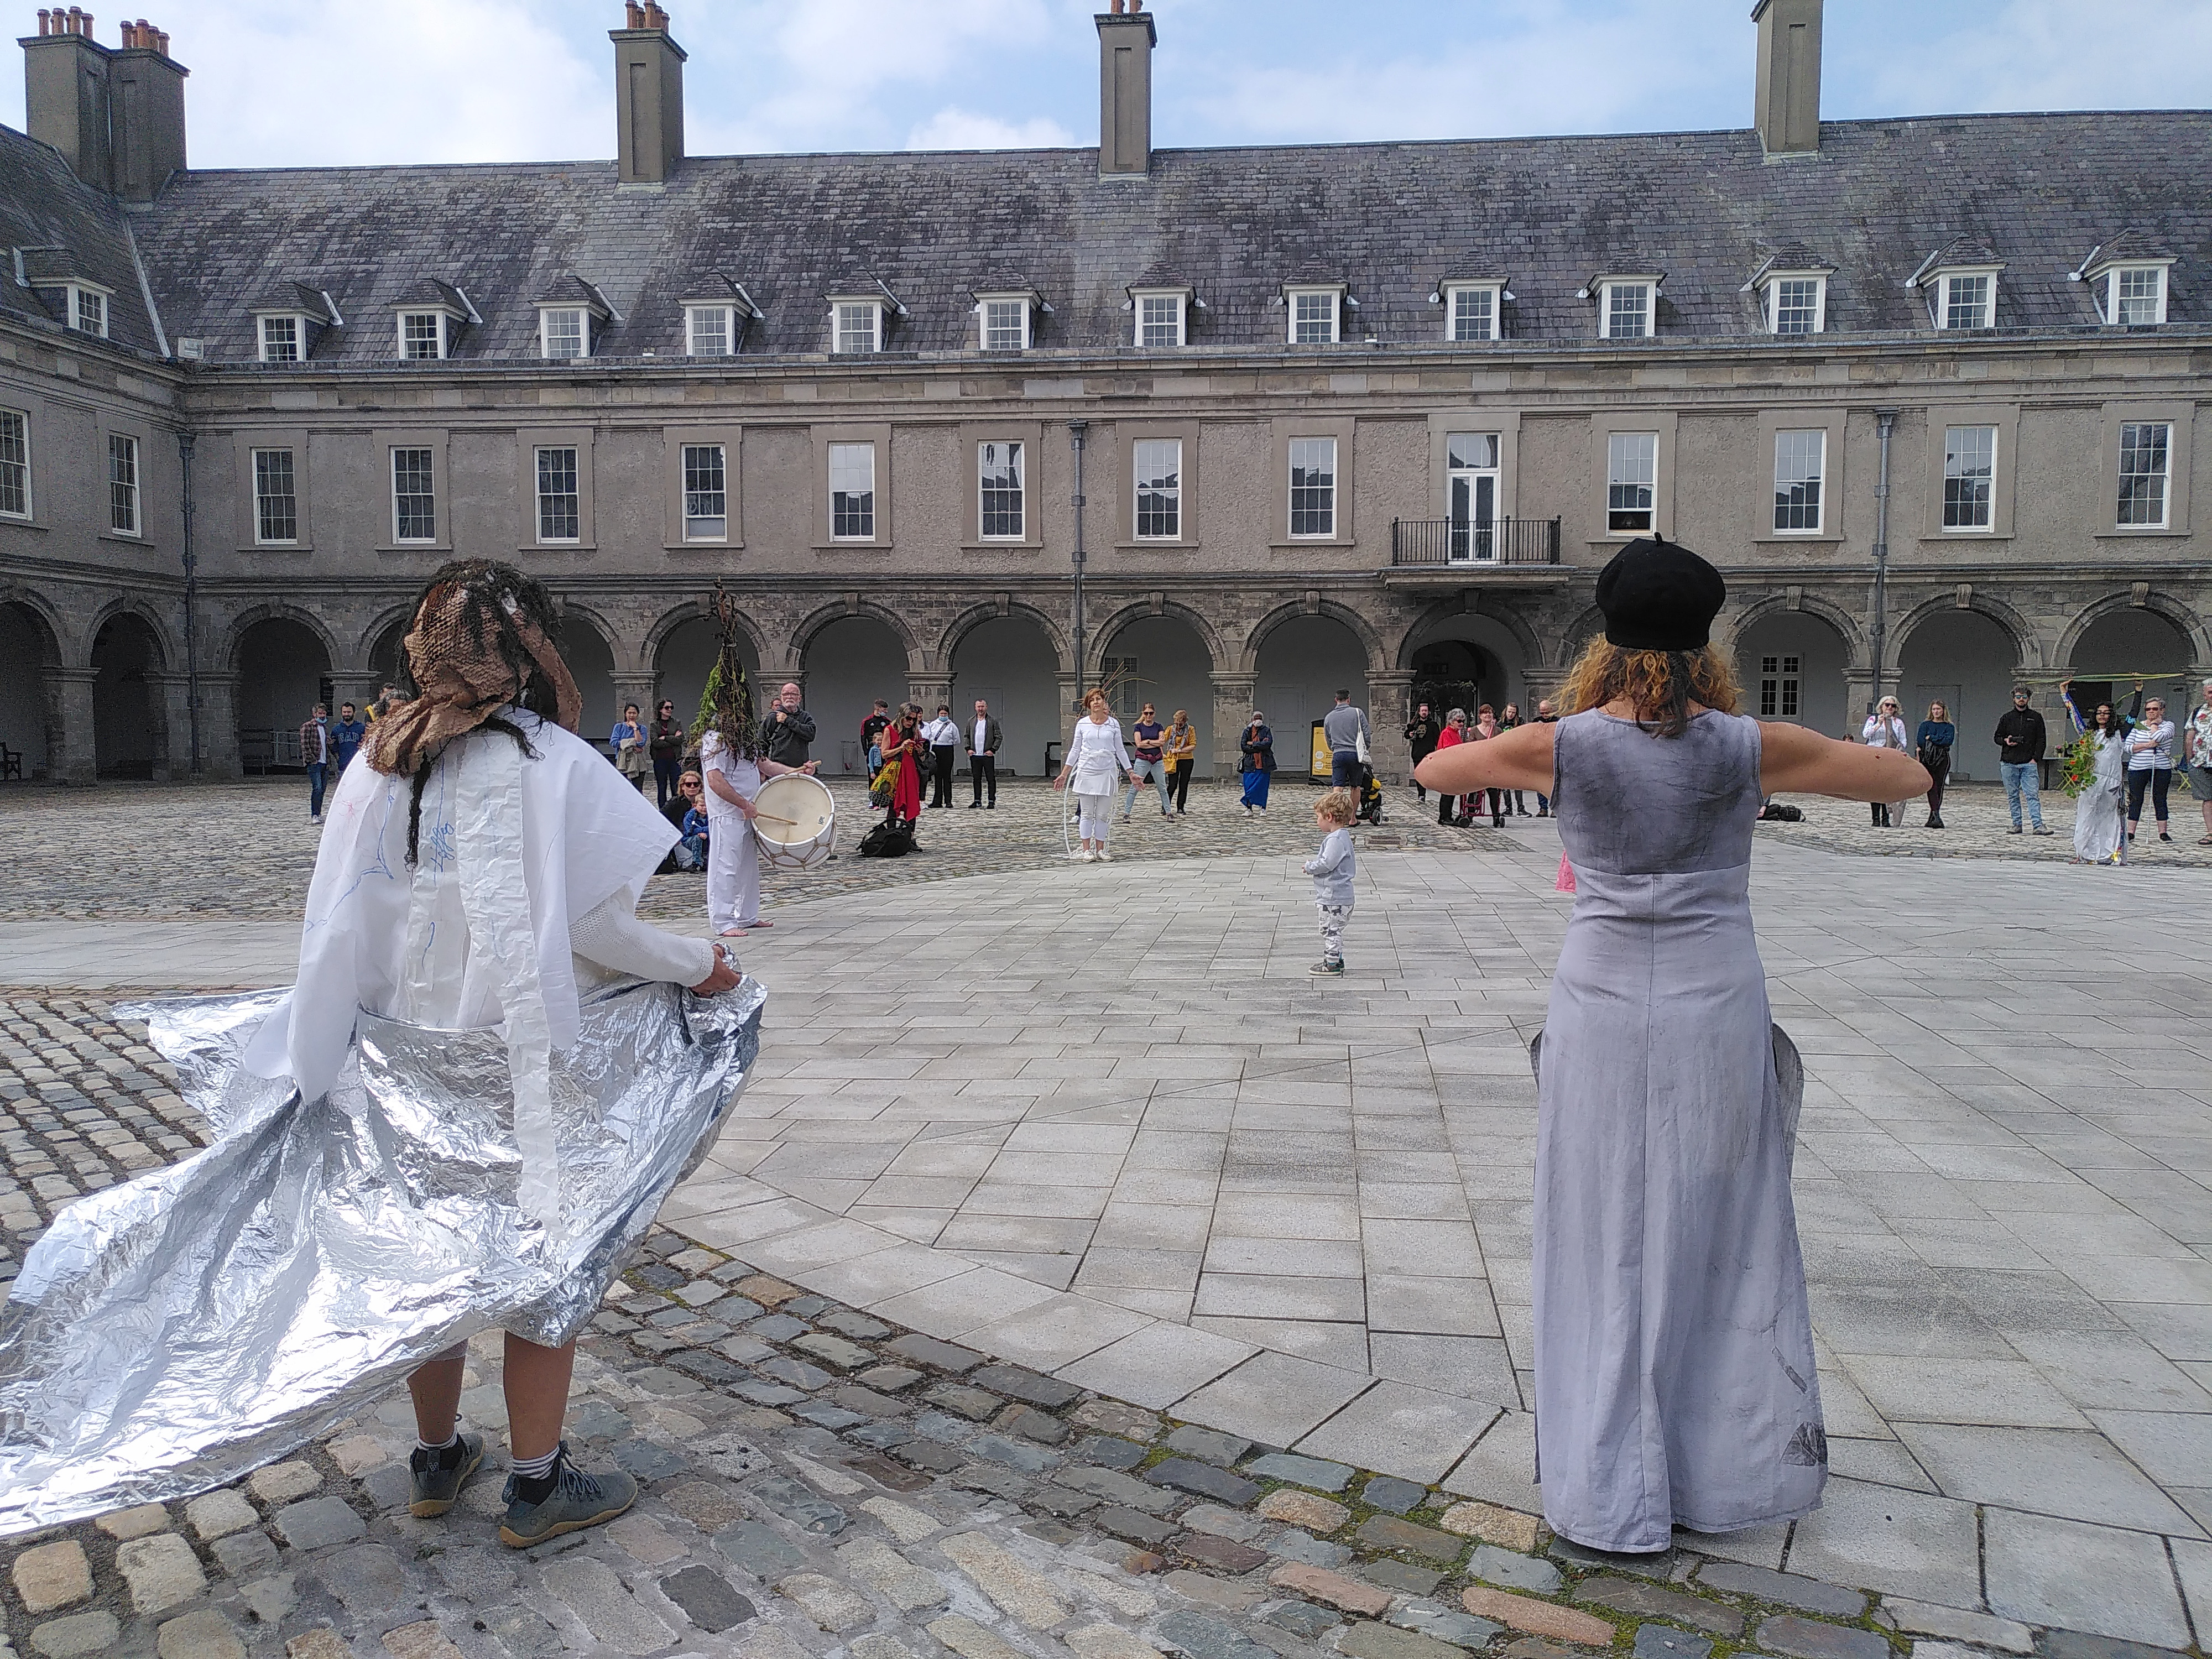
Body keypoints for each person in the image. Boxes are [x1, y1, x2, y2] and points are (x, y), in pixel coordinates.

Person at [1414, 534, 1929, 1556]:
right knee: (1719, 1229)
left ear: (1605, 646)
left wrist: (1539, 732)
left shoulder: (1558, 745)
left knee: (1599, 1229)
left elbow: (1435, 768)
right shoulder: (1751, 744)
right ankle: (1711, 1471)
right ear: (1705, 646)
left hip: (1601, 1002)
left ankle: (1608, 1484)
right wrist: (1781, 742)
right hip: (1714, 1000)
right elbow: (1905, 776)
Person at [310, 560, 744, 1547]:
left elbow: (338, 917)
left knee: (432, 1252)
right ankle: (539, 1484)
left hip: (407, 1057)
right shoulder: (553, 761)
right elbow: (598, 928)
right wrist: (699, 963)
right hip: (515, 1062)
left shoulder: (381, 760)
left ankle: (435, 1459)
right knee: (546, 1255)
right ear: (528, 651)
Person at [698, 656, 820, 937]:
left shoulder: (745, 738)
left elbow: (764, 764)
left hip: (749, 810)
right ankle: (723, 921)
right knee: (725, 866)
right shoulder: (715, 739)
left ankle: (747, 915)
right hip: (729, 812)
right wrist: (743, 804)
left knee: (747, 868)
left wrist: (797, 771)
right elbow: (715, 781)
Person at [1057, 689, 1131, 860]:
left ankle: (1100, 850)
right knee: (1087, 813)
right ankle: (1086, 850)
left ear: (1104, 702)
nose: (1096, 702)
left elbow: (1120, 749)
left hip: (1106, 771)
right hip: (1087, 771)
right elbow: (1075, 750)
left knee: (1102, 815)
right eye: (1093, 700)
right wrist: (1064, 774)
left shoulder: (1113, 724)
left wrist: (1131, 772)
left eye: (1099, 699)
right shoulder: (1083, 724)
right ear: (1089, 704)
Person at [2059, 682, 2126, 865]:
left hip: (2112, 782)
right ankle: (2083, 852)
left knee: (2109, 818)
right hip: (2091, 781)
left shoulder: (2119, 734)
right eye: (2099, 713)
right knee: (2086, 816)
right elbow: (2074, 714)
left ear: (2111, 715)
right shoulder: (2088, 733)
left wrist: (2138, 690)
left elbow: (2133, 715)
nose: (2102, 715)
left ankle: (2111, 853)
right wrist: (2065, 694)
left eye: (2106, 713)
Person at [1303, 787, 1358, 977]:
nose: (1317, 822)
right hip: (1339, 895)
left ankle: (1332, 963)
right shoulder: (1342, 837)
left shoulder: (1335, 839)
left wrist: (1310, 867)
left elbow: (1328, 863)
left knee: (1330, 930)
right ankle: (1336, 958)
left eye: (1318, 818)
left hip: (1334, 896)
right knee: (1333, 929)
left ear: (1329, 817)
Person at [2122, 691, 2176, 847]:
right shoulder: (2137, 726)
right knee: (2135, 799)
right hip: (2138, 767)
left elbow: (2158, 737)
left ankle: (2163, 832)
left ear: (2162, 710)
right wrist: (2147, 745)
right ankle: (2131, 832)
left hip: (2161, 767)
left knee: (2160, 798)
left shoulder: (2169, 725)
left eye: (2155, 709)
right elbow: (2127, 747)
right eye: (2148, 709)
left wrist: (2154, 725)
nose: (2151, 712)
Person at [1995, 686, 2051, 836]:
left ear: (2028, 698)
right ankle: (2017, 824)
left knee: (2032, 795)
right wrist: (2006, 741)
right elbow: (1997, 737)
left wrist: (2036, 759)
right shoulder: (2007, 718)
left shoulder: (2036, 717)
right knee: (2013, 795)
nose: (2021, 699)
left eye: (2024, 697)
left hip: (2028, 763)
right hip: (2009, 762)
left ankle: (2038, 825)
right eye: (2018, 697)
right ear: (2014, 699)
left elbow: (2042, 740)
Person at [1860, 696, 1912, 827]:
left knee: (1886, 787)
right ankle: (1875, 818)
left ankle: (1886, 818)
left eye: (1893, 706)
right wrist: (1878, 724)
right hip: (1875, 754)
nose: (1890, 708)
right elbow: (1866, 734)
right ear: (1882, 706)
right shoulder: (1873, 719)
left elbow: (1903, 741)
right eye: (1887, 705)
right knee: (1875, 787)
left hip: (1889, 756)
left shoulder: (1898, 723)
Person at [875, 703, 925, 839]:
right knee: (893, 804)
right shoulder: (890, 730)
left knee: (912, 804)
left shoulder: (915, 732)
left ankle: (910, 838)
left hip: (911, 771)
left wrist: (921, 751)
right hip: (895, 771)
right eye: (908, 718)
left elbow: (921, 757)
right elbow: (884, 754)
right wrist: (901, 747)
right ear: (901, 716)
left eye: (914, 719)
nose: (911, 722)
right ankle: (891, 835)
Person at [1124, 701, 1170, 821]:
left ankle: (1169, 812)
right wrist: (1154, 743)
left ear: (1154, 714)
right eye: (1146, 713)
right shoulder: (1139, 727)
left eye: (1151, 713)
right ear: (1143, 714)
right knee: (1135, 786)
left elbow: (1162, 742)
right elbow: (1139, 744)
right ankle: (1126, 813)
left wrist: (1148, 741)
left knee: (1162, 787)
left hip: (1157, 760)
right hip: (1142, 759)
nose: (1148, 715)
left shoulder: (1159, 726)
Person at [1916, 700, 1956, 828]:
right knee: (1931, 785)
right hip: (1928, 758)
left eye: (1938, 709)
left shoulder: (1949, 726)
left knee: (1939, 786)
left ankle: (1934, 815)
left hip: (1942, 758)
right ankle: (1936, 814)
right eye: (1934, 709)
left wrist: (1932, 738)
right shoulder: (1925, 725)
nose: (1936, 712)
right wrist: (1938, 738)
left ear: (1943, 710)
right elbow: (1921, 741)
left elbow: (1948, 741)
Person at [761, 682, 816, 770]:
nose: (789, 697)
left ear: (799, 698)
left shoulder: (805, 717)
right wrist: (764, 769)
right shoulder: (773, 717)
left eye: (793, 694)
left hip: (801, 769)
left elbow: (811, 735)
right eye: (786, 694)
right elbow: (762, 743)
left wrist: (788, 721)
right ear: (782, 697)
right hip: (777, 769)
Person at [1322, 690, 1370, 789]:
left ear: (1336, 700)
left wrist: (1334, 749)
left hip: (1338, 754)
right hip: (1355, 754)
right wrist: (1365, 748)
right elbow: (1367, 734)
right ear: (1349, 700)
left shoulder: (1329, 717)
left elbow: (1328, 738)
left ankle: (1337, 799)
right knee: (1356, 786)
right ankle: (1354, 800)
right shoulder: (1358, 713)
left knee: (1337, 786)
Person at [648, 698, 686, 809]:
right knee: (662, 786)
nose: (670, 710)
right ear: (661, 710)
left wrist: (665, 738)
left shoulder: (676, 723)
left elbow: (680, 740)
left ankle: (677, 810)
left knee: (676, 787)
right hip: (660, 760)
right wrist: (673, 739)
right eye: (667, 707)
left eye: (671, 707)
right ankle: (663, 810)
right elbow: (655, 743)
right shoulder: (654, 725)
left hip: (674, 759)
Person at [1470, 705, 1505, 826]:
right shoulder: (1474, 730)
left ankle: (1496, 816)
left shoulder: (1497, 730)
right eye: (1485, 713)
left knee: (1493, 792)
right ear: (1480, 716)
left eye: (1490, 713)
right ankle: (1470, 813)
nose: (1488, 715)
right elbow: (1470, 746)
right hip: (1478, 765)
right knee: (1473, 790)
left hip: (1492, 766)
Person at [920, 704, 959, 809]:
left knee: (947, 776)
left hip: (947, 750)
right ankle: (937, 801)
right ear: (938, 714)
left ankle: (948, 801)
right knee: (937, 777)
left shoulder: (952, 726)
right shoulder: (933, 724)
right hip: (936, 750)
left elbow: (957, 740)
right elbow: (929, 737)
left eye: (945, 714)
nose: (943, 715)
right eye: (941, 714)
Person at [2188, 679, 2212, 846]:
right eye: (2210, 692)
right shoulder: (2197, 712)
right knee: (2208, 799)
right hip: (2201, 762)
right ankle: (2211, 833)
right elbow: (2190, 736)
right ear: (2204, 695)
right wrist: (2189, 760)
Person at [1433, 709, 1467, 826]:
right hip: (1447, 767)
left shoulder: (1456, 733)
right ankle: (1444, 817)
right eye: (1459, 721)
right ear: (1452, 721)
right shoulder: (1447, 733)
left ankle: (1448, 815)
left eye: (1463, 721)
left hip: (1453, 767)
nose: (1462, 723)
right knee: (1447, 793)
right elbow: (1450, 749)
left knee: (1451, 792)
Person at [968, 699, 1003, 808]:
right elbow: (967, 736)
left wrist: (993, 750)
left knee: (990, 779)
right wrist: (968, 749)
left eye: (982, 706)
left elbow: (999, 736)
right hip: (975, 755)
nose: (981, 709)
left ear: (986, 707)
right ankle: (977, 800)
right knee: (976, 779)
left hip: (987, 755)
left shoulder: (992, 721)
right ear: (975, 708)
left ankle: (991, 801)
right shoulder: (971, 721)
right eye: (979, 707)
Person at [1404, 703, 1442, 802]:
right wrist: (1410, 734)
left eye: (1426, 711)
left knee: (1427, 774)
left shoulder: (1433, 725)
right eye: (1422, 711)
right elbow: (1406, 734)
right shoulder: (1414, 724)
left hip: (1429, 754)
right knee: (1419, 775)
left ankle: (1430, 789)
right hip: (1417, 753)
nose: (1424, 712)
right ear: (1419, 712)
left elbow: (1438, 739)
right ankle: (1421, 795)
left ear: (1428, 712)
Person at [299, 703, 330, 821]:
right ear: (315, 714)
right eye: (320, 713)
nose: (322, 716)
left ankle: (319, 812)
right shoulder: (308, 726)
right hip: (315, 763)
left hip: (325, 763)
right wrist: (312, 760)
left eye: (324, 713)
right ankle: (315, 814)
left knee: (322, 790)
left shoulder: (324, 728)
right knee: (317, 788)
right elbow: (305, 745)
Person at [1239, 711, 1275, 813]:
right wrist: (1259, 746)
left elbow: (1268, 744)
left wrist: (1253, 743)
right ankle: (1249, 809)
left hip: (1264, 765)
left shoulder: (1266, 730)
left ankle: (1263, 808)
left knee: (1262, 788)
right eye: (1256, 718)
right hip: (1250, 764)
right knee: (1249, 788)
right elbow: (1244, 747)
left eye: (1260, 718)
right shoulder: (1247, 731)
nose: (1258, 720)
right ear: (1252, 719)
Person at [1164, 710, 1197, 815]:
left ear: (1185, 721)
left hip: (1187, 760)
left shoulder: (1190, 729)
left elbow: (1193, 745)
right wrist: (1162, 754)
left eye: (1180, 724)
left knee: (1184, 784)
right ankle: (1165, 807)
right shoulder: (1171, 729)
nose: (1178, 726)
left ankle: (1180, 807)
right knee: (1172, 784)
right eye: (1176, 723)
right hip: (1173, 760)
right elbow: (1162, 741)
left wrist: (1179, 750)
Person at [609, 703, 648, 792]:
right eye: (629, 713)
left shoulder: (642, 728)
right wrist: (633, 747)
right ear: (625, 714)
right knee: (623, 790)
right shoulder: (619, 727)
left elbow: (641, 743)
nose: (632, 715)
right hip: (622, 762)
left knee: (637, 790)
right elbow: (614, 742)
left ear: (638, 714)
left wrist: (635, 729)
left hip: (638, 763)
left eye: (634, 713)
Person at [1500, 703, 1530, 816]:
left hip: (1517, 756)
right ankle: (1508, 808)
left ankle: (1521, 808)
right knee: (1505, 784)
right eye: (1509, 712)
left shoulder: (1520, 723)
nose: (1511, 714)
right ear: (1506, 712)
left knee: (1518, 783)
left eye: (1513, 712)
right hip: (1505, 756)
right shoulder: (1500, 724)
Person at [1533, 700, 1559, 816]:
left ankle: (1555, 808)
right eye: (1542, 713)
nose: (1544, 715)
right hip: (1540, 754)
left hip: (1554, 754)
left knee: (1555, 783)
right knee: (1540, 782)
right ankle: (1543, 808)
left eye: (1546, 713)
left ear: (1551, 710)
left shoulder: (1558, 721)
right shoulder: (1536, 722)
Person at [331, 702, 367, 774]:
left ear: (354, 713)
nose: (347, 714)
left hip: (358, 766)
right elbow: (333, 748)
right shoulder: (336, 730)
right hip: (343, 767)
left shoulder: (361, 728)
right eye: (344, 712)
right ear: (341, 713)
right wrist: (339, 759)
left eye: (349, 712)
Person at [861, 700, 891, 773]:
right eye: (884, 710)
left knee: (884, 773)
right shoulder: (867, 721)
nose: (886, 711)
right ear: (878, 709)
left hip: (883, 751)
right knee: (872, 773)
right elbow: (863, 737)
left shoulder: (887, 721)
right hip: (872, 751)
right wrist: (866, 753)